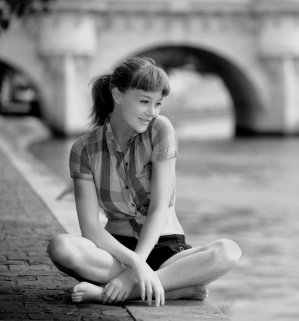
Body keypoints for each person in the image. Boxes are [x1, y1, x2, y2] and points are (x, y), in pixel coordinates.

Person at [47, 56, 241, 306]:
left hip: (167, 252)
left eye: (158, 103)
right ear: (117, 95)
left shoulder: (160, 129)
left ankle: (121, 292)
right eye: (144, 102)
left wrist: (130, 277)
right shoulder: (84, 150)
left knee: (228, 251)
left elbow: (159, 208)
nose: (153, 112)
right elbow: (90, 230)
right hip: (116, 252)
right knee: (60, 246)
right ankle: (173, 288)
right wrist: (135, 263)